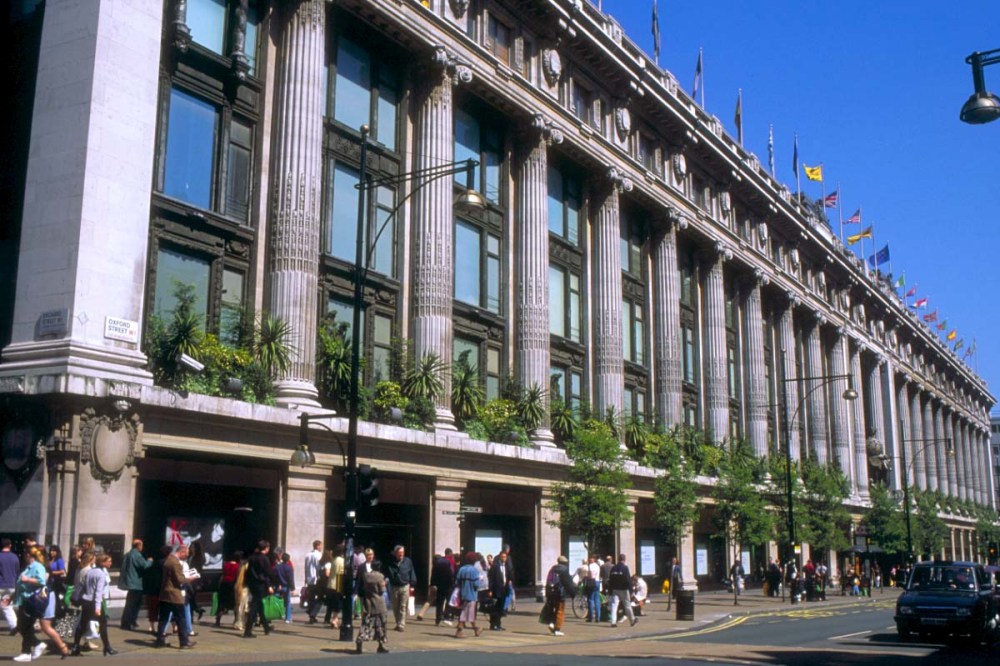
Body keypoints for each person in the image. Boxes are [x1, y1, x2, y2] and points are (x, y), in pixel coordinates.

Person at [13, 546, 70, 661]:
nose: (52, 553)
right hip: (39, 597)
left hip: (42, 598)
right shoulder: (38, 566)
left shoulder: (42, 566)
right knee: (34, 626)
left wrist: (27, 580)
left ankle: (61, 647)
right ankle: (31, 650)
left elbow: (42, 582)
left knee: (44, 626)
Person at [71, 552, 116, 656]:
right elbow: (98, 592)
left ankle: (75, 646)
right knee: (103, 625)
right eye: (109, 561)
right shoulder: (101, 574)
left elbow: (84, 586)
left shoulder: (90, 572)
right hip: (94, 602)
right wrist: (98, 608)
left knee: (82, 625)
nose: (111, 563)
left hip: (86, 601)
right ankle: (107, 647)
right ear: (103, 562)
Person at [153, 545, 196, 649]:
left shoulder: (168, 560)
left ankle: (160, 640)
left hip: (165, 594)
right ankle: (184, 642)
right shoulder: (175, 562)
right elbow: (179, 579)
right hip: (174, 595)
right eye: (186, 554)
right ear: (181, 552)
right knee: (181, 618)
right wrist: (190, 579)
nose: (186, 556)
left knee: (163, 618)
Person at [355, 560, 389, 654]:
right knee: (381, 625)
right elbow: (382, 590)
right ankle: (381, 645)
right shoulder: (380, 577)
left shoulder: (366, 576)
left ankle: (359, 641)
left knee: (366, 623)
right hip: (379, 603)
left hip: (368, 602)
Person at [243, 540, 274, 638]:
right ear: (266, 548)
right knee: (255, 607)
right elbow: (268, 573)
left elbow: (247, 572)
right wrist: (270, 584)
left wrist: (248, 582)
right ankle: (247, 630)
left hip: (253, 584)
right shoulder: (264, 559)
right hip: (260, 584)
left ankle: (266, 627)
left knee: (259, 605)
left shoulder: (251, 558)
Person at [118, 539, 151, 630]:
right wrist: (150, 561)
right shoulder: (136, 555)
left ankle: (131, 621)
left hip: (130, 582)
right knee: (132, 604)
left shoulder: (128, 554)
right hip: (135, 584)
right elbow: (144, 565)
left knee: (131, 603)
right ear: (138, 546)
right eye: (142, 545)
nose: (142, 547)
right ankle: (127, 623)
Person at [543, 555, 577, 637]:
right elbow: (568, 584)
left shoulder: (552, 569)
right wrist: (573, 593)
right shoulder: (564, 570)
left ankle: (551, 623)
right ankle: (557, 629)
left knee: (553, 608)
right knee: (560, 611)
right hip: (560, 594)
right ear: (565, 563)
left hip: (551, 593)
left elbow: (548, 580)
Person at [386, 545, 416, 632]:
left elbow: (411, 571)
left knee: (403, 606)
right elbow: (388, 572)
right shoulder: (391, 562)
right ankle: (398, 622)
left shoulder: (408, 561)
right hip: (394, 586)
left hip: (405, 585)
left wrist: (413, 583)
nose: (401, 555)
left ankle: (401, 624)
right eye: (399, 553)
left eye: (402, 553)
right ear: (395, 553)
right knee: (395, 606)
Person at [420, 552, 454, 626]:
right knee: (448, 601)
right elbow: (451, 573)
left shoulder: (436, 565)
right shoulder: (447, 562)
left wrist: (432, 584)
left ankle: (438, 619)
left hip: (440, 586)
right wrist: (452, 582)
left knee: (439, 603)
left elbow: (433, 576)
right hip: (448, 585)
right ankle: (447, 616)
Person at [454, 552, 482, 638]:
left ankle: (476, 629)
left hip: (462, 594)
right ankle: (459, 630)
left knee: (469, 613)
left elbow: (457, 582)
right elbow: (476, 585)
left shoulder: (461, 569)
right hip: (471, 595)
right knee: (466, 613)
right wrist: (480, 580)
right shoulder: (474, 571)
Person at [607, 553, 637, 628]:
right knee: (627, 605)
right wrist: (631, 591)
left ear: (618, 559)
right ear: (624, 559)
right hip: (624, 589)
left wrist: (610, 590)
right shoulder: (625, 568)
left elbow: (610, 580)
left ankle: (613, 622)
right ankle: (632, 620)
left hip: (615, 589)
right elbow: (628, 580)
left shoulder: (613, 568)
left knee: (614, 605)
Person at [214, 551, 241, 627]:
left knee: (222, 603)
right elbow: (237, 577)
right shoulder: (237, 566)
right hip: (232, 585)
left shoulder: (226, 564)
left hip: (224, 584)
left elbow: (223, 574)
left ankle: (218, 620)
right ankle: (236, 620)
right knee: (235, 603)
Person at [323, 546, 345, 628]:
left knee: (333, 605)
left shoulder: (334, 560)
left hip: (330, 585)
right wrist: (341, 589)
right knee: (338, 604)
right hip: (337, 585)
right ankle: (335, 620)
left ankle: (335, 619)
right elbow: (340, 574)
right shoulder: (341, 561)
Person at [487, 551, 509, 630]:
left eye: (505, 557)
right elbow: (491, 579)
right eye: (502, 557)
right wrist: (490, 590)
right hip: (496, 590)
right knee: (495, 608)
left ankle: (498, 624)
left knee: (500, 608)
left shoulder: (506, 566)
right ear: (499, 557)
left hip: (504, 590)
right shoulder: (495, 566)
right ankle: (493, 625)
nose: (504, 558)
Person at [1, 538, 19, 636]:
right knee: (7, 605)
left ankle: (14, 625)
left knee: (5, 606)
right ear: (10, 545)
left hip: (1, 584)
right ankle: (14, 625)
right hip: (11, 584)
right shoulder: (15, 557)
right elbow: (17, 571)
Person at [304, 540, 322, 624]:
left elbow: (306, 568)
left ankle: (311, 614)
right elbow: (319, 568)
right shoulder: (318, 555)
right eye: (321, 546)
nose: (321, 547)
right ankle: (312, 614)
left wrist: (305, 579)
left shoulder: (308, 555)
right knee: (319, 597)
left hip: (309, 579)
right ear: (318, 546)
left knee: (311, 597)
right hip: (316, 579)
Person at [274, 552, 295, 624]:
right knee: (288, 602)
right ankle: (288, 618)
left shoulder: (277, 567)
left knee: (276, 599)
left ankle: (278, 613)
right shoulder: (289, 568)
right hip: (286, 586)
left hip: (279, 586)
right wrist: (292, 588)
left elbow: (274, 577)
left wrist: (277, 584)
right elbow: (291, 579)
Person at [585, 554, 602, 622]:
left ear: (593, 559)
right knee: (597, 600)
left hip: (592, 582)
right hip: (597, 582)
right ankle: (598, 618)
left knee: (591, 600)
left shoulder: (590, 566)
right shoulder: (597, 566)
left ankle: (591, 617)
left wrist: (586, 577)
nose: (590, 559)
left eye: (591, 558)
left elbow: (591, 576)